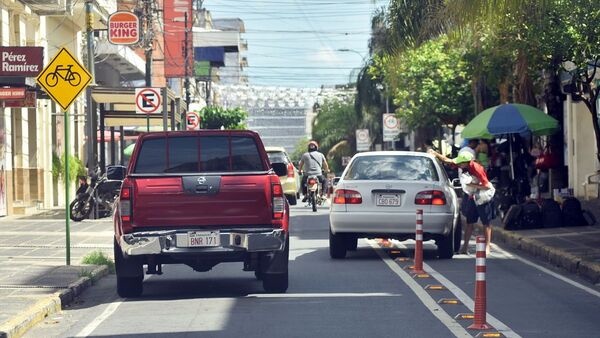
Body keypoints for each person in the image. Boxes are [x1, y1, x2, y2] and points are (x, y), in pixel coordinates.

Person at [428, 149, 495, 255]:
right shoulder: (463, 165)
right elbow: (448, 161)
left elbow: (486, 186)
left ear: (468, 162)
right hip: (471, 196)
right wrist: (435, 154)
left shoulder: (477, 169)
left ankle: (487, 247)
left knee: (486, 223)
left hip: (482, 197)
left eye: (461, 163)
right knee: (469, 222)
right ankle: (465, 247)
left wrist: (471, 185)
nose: (458, 164)